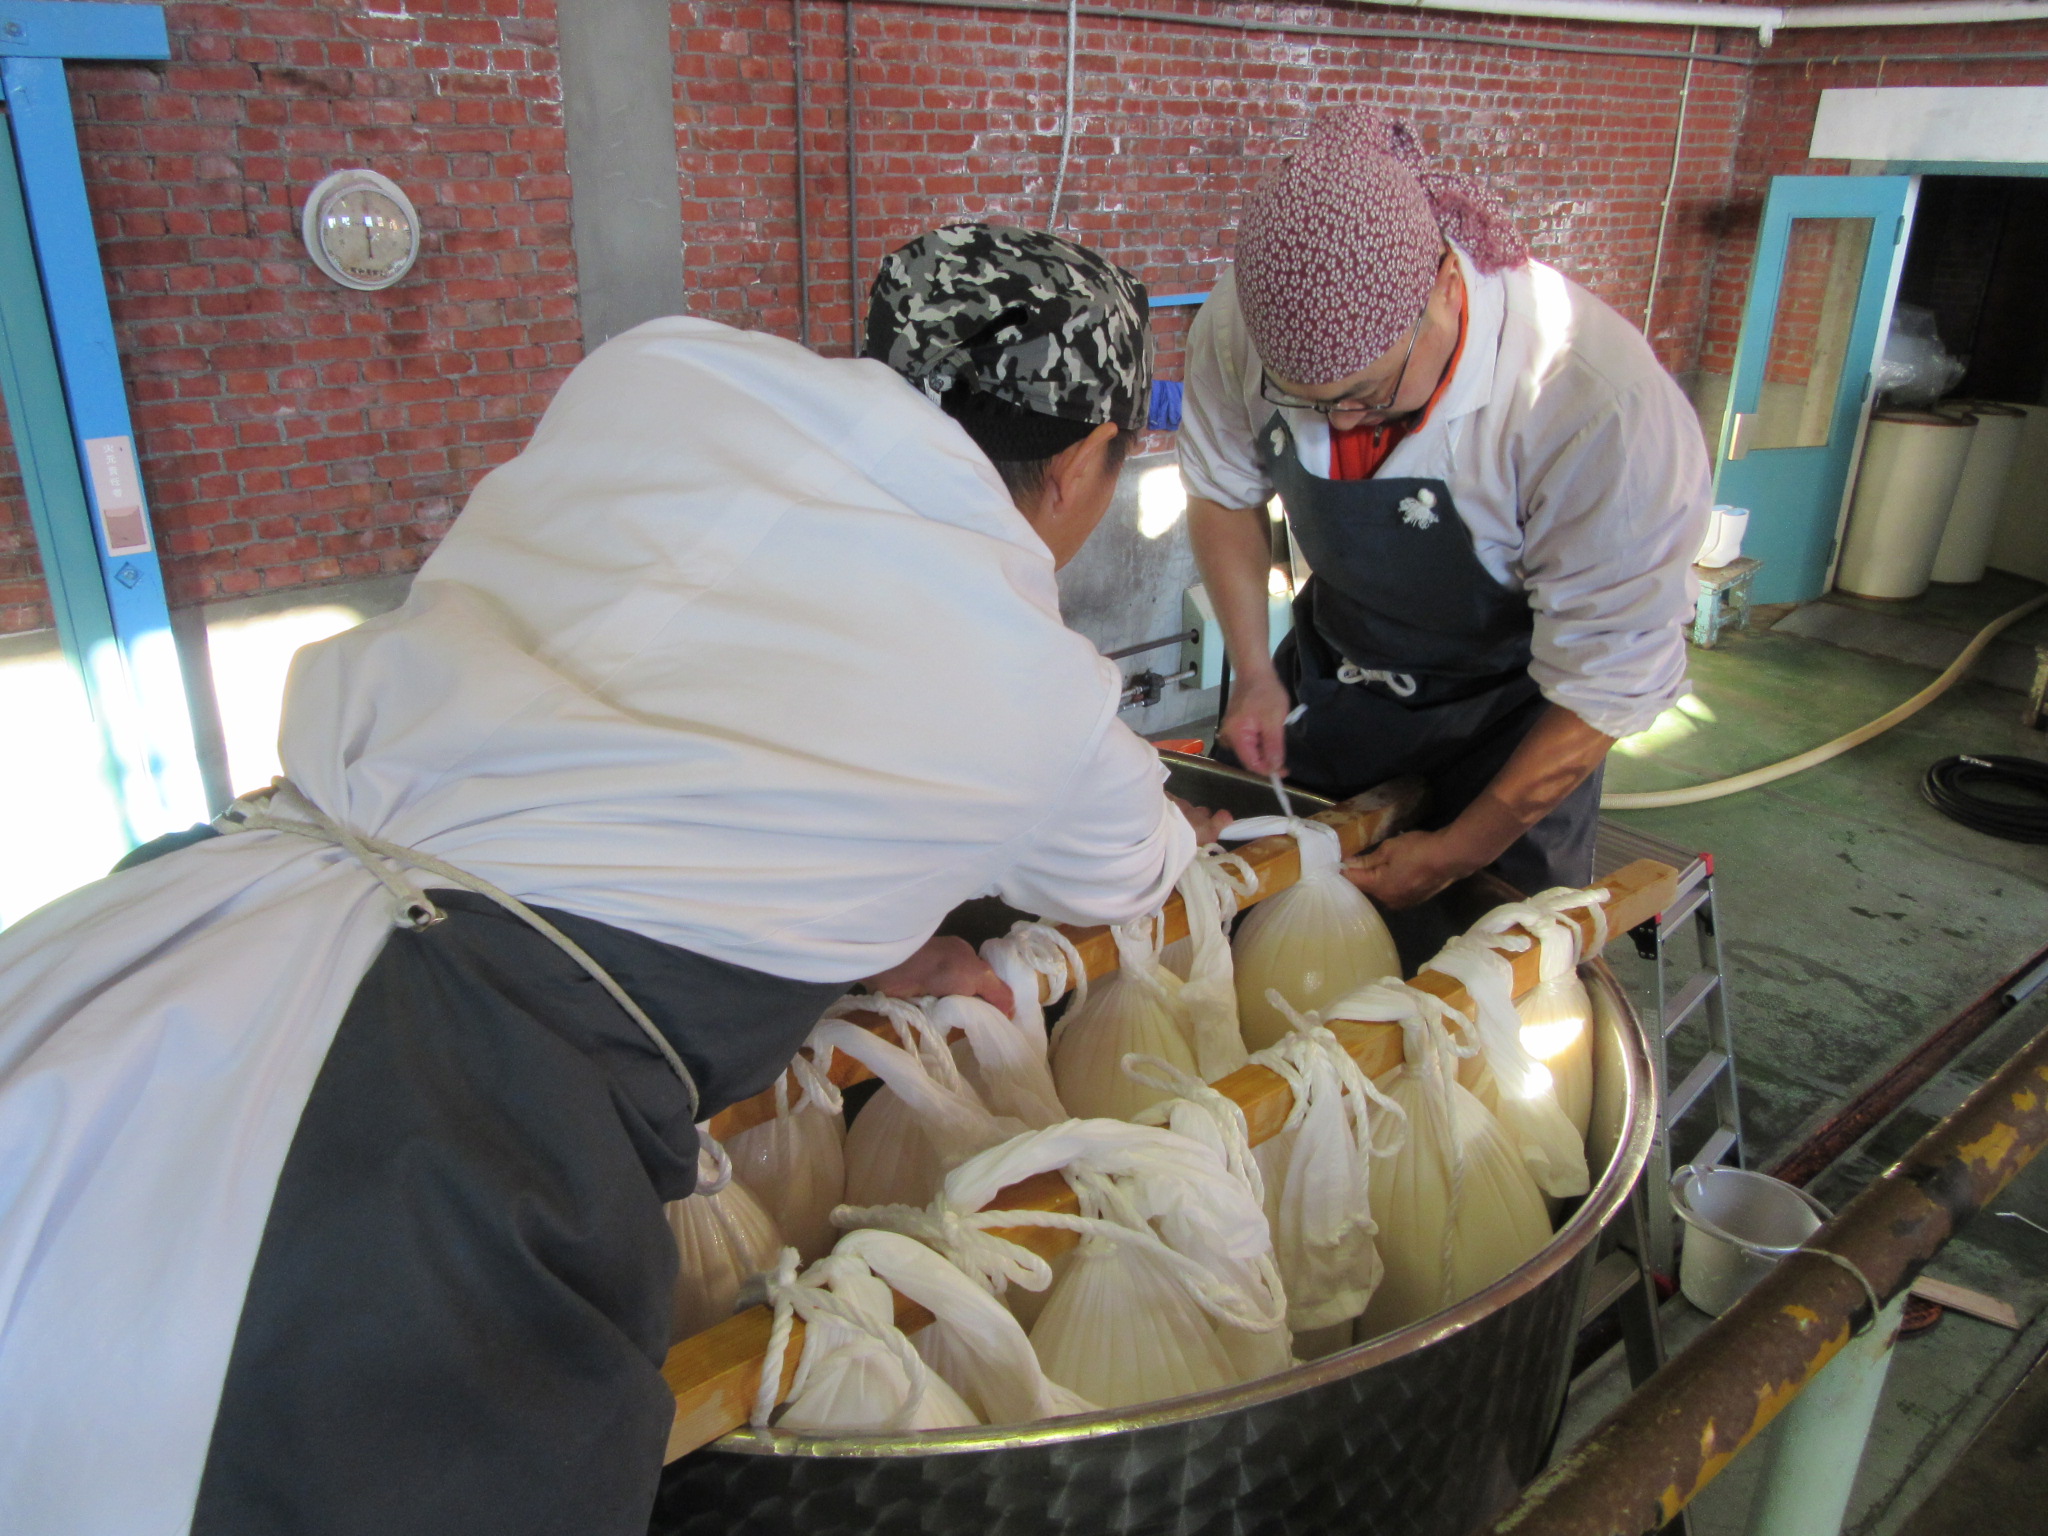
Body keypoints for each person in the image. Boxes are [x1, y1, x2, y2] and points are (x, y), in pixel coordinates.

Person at [0, 225, 1221, 1535]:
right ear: (1090, 456)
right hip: (428, 1126)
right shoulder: (1031, 684)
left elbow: (631, 736)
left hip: (160, 934)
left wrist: (868, 925)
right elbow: (1126, 866)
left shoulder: (663, 376)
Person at [1181, 106, 1709, 929]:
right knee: (1237, 912)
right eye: (1308, 404)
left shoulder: (1595, 409)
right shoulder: (1243, 323)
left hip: (1516, 718)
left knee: (1484, 963)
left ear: (1447, 289)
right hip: (1338, 673)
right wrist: (1254, 672)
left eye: (1368, 396)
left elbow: (1606, 680)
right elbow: (1222, 492)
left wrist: (1459, 851)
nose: (1344, 426)